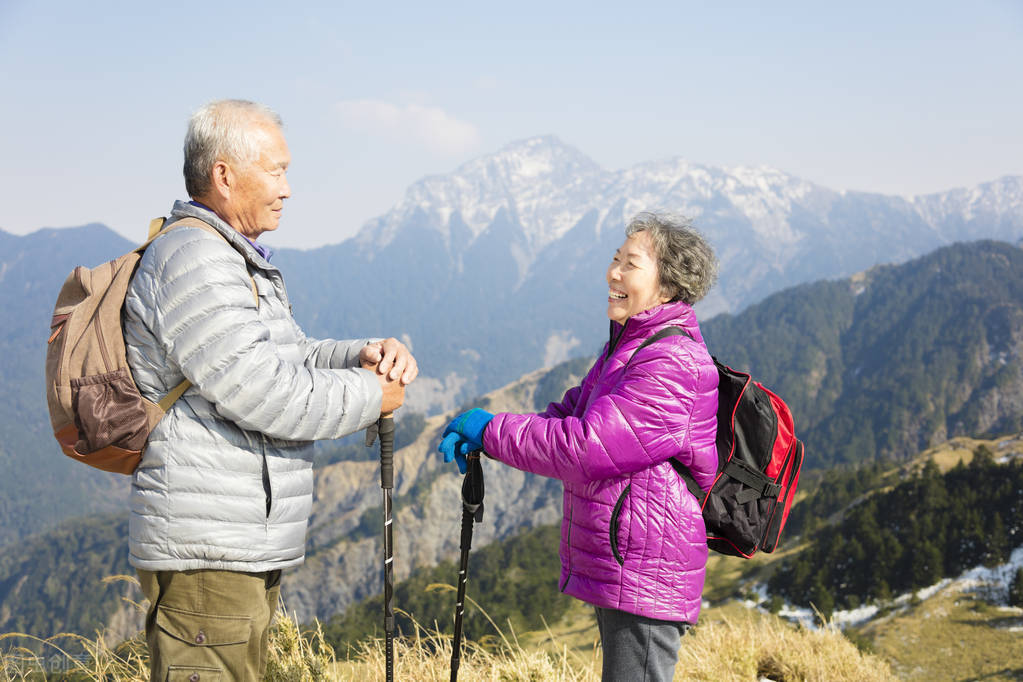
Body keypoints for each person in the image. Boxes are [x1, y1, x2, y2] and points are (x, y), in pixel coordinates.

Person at [123, 99, 417, 681]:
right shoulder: (196, 260)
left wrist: (361, 355)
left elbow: (287, 354)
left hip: (232, 545)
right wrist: (369, 396)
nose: (287, 188)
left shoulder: (229, 256)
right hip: (208, 553)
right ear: (224, 175)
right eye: (276, 170)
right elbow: (263, 392)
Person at [438, 212, 719, 682]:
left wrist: (490, 430)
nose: (613, 273)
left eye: (630, 264)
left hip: (646, 570)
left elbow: (585, 447)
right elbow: (570, 416)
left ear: (668, 286)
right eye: (615, 259)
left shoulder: (671, 362)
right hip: (628, 561)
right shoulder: (631, 348)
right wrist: (488, 434)